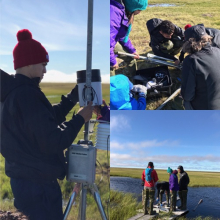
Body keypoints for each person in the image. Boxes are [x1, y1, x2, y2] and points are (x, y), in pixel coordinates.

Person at [0, 29, 93, 220]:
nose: (45, 70)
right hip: (38, 188)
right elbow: (53, 140)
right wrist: (81, 118)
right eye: (43, 64)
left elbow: (45, 120)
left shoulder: (15, 92)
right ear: (29, 62)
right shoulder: (26, 95)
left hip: (27, 183)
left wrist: (72, 98)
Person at [181, 24, 220, 110]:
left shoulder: (191, 61)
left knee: (186, 101)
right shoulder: (218, 50)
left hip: (207, 108)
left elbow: (187, 95)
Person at [110, 0, 148, 79]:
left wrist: (132, 50)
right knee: (111, 68)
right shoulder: (113, 13)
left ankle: (135, 78)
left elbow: (122, 36)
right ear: (132, 6)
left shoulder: (123, 10)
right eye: (139, 9)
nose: (139, 12)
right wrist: (112, 61)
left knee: (131, 57)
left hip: (111, 43)